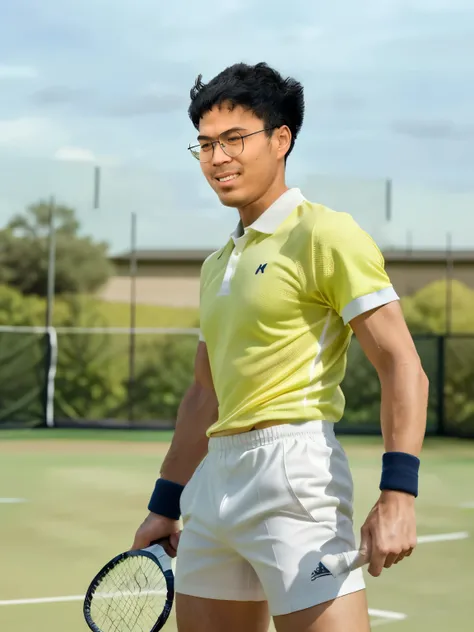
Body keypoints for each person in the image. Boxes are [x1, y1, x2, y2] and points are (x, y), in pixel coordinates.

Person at [132, 62, 429, 632]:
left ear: (281, 139)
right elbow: (203, 395)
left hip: (294, 475)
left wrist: (399, 494)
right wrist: (165, 502)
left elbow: (402, 365)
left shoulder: (325, 233)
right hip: (213, 484)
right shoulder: (217, 262)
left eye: (234, 139)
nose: (217, 159)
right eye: (205, 145)